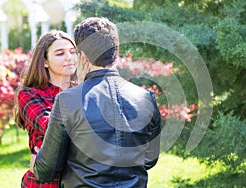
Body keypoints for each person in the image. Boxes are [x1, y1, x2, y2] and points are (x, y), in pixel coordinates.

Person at [32, 17, 162, 187]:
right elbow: (150, 159)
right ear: (116, 51)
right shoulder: (146, 97)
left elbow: (46, 170)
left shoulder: (67, 99)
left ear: (83, 57)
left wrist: (38, 160)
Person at [14, 30, 77, 188]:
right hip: (45, 183)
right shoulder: (30, 95)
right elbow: (52, 127)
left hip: (80, 180)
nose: (69, 57)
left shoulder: (85, 91)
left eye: (72, 52)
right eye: (60, 53)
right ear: (45, 62)